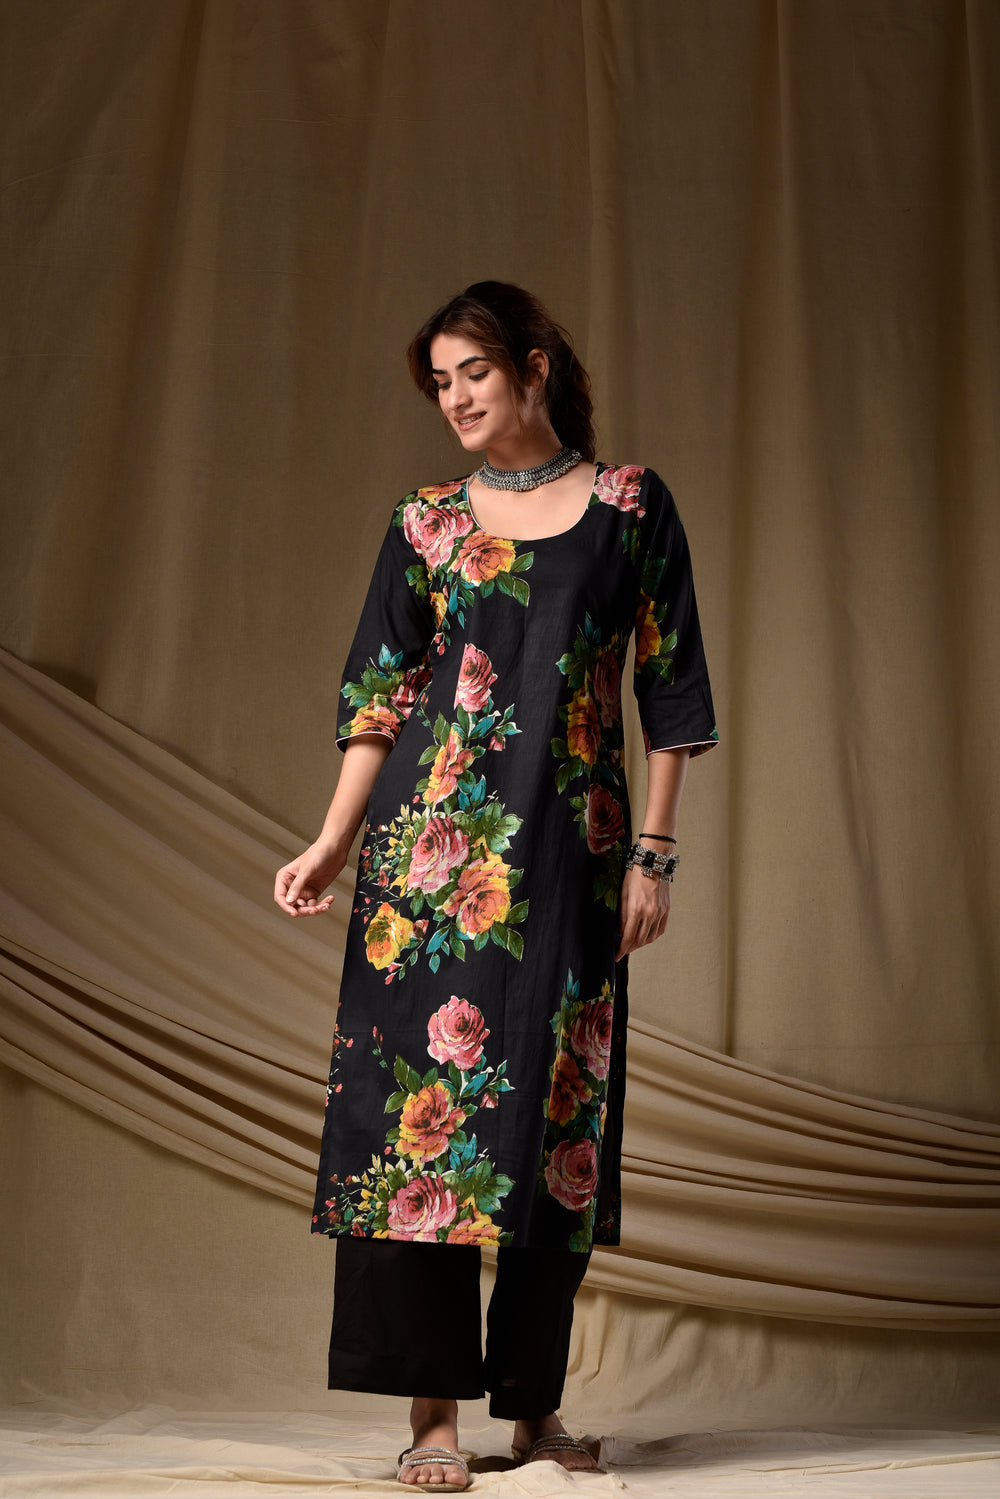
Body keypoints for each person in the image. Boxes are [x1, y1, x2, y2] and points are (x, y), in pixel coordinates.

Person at [274, 281, 717, 1491]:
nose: (456, 398)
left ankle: (533, 1411)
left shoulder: (630, 505)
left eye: (472, 370)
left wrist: (654, 854)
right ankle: (430, 1418)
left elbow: (669, 686)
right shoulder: (423, 522)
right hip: (426, 871)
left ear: (532, 365)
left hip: (572, 859)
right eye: (440, 382)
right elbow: (380, 694)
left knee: (552, 1125)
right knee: (409, 1123)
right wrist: (331, 842)